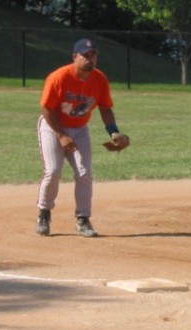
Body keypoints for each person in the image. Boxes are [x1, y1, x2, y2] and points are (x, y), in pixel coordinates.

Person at [36, 38, 129, 237]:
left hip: (79, 129)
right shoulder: (59, 77)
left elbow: (105, 107)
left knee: (84, 173)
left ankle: (83, 219)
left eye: (93, 55)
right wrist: (61, 135)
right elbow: (47, 109)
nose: (90, 59)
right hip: (52, 128)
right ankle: (44, 213)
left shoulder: (99, 79)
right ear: (74, 57)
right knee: (53, 170)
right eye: (85, 55)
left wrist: (114, 132)